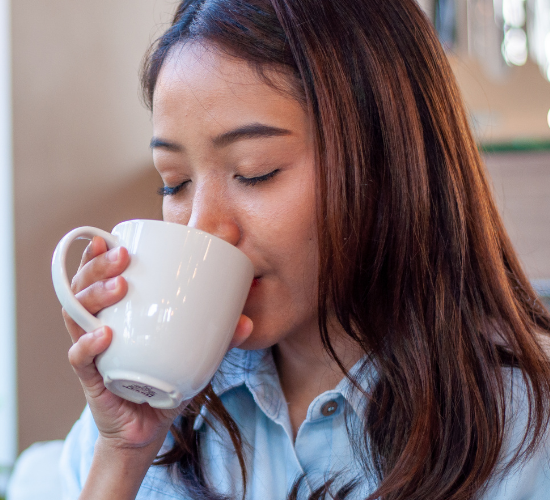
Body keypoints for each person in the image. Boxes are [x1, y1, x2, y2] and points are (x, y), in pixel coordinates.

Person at [57, 1, 550, 499]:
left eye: (256, 171)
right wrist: (121, 458)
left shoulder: (521, 429)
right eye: (175, 183)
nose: (203, 228)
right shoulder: (144, 414)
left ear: (388, 163)